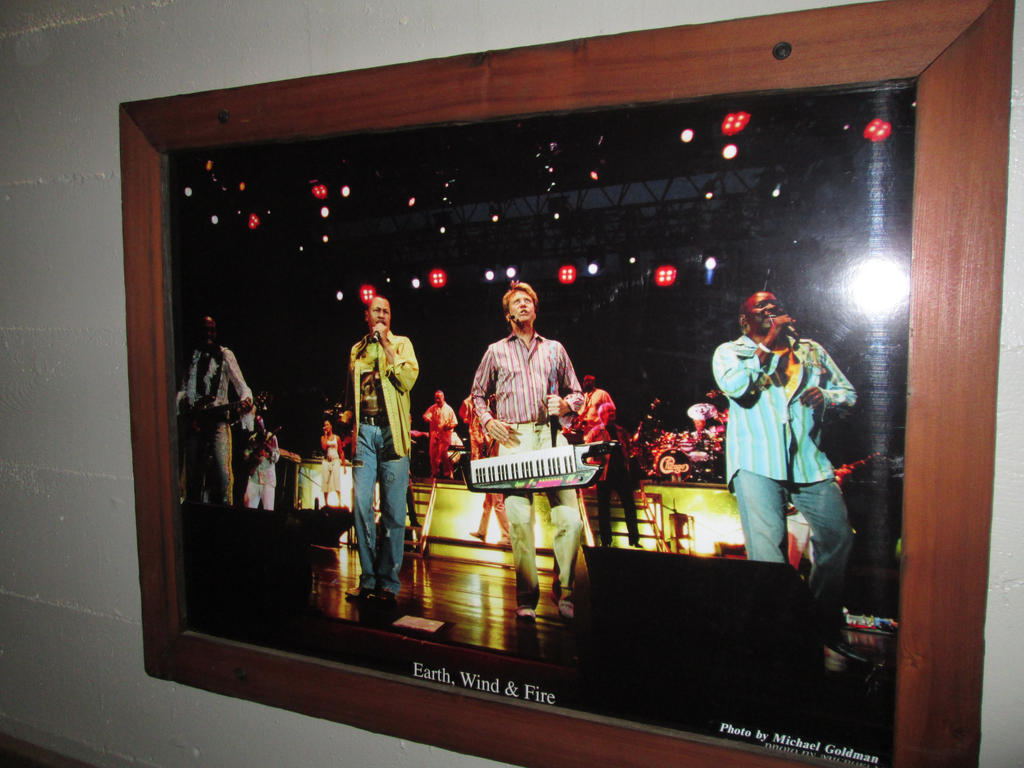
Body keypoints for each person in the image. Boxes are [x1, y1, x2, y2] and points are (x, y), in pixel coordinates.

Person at [711, 291, 858, 660]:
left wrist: (827, 396)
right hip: (757, 462)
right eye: (762, 309)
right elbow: (738, 389)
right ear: (745, 322)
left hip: (809, 461)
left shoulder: (811, 350)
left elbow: (849, 395)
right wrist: (768, 346)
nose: (771, 311)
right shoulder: (731, 352)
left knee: (838, 538)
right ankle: (778, 635)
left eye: (774, 306)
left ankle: (822, 622)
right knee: (768, 553)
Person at [470, 282, 584, 621]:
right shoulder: (495, 351)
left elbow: (577, 393)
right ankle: (526, 598)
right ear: (508, 314)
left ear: (535, 309)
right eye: (517, 302)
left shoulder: (555, 349)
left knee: (571, 519)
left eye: (528, 301)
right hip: (514, 440)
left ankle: (564, 592)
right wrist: (488, 420)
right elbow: (477, 394)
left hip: (550, 436)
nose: (523, 305)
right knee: (519, 521)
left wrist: (565, 404)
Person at [343, 296, 418, 604]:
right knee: (361, 507)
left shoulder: (401, 344)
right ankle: (367, 577)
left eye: (387, 310)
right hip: (364, 434)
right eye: (377, 310)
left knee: (393, 512)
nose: (383, 314)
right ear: (367, 315)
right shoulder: (356, 349)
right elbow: (351, 393)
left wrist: (386, 345)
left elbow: (408, 379)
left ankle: (388, 581)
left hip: (393, 436)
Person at [177, 315, 254, 505]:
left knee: (223, 474)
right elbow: (182, 389)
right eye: (205, 330)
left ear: (216, 332)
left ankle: (226, 513)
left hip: (219, 420)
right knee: (193, 474)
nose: (208, 334)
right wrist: (184, 403)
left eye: (212, 330)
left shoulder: (225, 355)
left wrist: (246, 401)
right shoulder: (192, 357)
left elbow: (242, 386)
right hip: (196, 421)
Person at [585, 402, 640, 548]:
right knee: (604, 508)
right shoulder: (596, 432)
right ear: (602, 414)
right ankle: (606, 541)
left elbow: (629, 449)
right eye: (609, 411)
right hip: (605, 473)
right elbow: (588, 449)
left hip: (621, 472)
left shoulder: (621, 431)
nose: (612, 413)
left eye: (613, 411)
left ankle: (634, 539)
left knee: (630, 505)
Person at [461, 394, 510, 546]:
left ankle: (507, 536)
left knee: (498, 502)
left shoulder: (500, 424)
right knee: (488, 502)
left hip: (497, 468)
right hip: (491, 465)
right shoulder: (491, 423)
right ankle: (482, 531)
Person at [243, 414, 279, 510]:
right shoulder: (252, 439)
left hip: (268, 479)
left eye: (260, 424)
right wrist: (254, 456)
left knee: (268, 511)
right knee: (248, 507)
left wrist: (269, 450)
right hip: (254, 478)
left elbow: (276, 457)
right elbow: (246, 455)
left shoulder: (272, 438)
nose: (259, 427)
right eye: (257, 425)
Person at [422, 390, 458, 478]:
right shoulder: (433, 408)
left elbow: (455, 422)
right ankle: (435, 472)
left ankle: (448, 472)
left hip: (445, 436)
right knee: (433, 455)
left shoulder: (449, 409)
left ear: (443, 397)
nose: (437, 400)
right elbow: (426, 415)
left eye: (438, 398)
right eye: (435, 398)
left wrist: (448, 426)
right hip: (434, 435)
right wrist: (427, 419)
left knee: (442, 453)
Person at [573, 374, 615, 440]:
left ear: (593, 382)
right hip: (586, 433)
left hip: (599, 431)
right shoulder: (583, 397)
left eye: (589, 381)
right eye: (585, 381)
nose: (587, 383)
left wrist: (605, 424)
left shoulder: (602, 394)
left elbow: (612, 410)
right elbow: (580, 414)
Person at [320, 419, 345, 506]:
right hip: (327, 460)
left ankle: (339, 503)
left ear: (331, 426)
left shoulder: (337, 437)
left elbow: (341, 451)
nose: (326, 426)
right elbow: (323, 447)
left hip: (335, 460)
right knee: (325, 482)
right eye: (325, 425)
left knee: (336, 481)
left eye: (327, 425)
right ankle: (326, 504)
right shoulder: (323, 438)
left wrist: (344, 466)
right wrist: (325, 435)